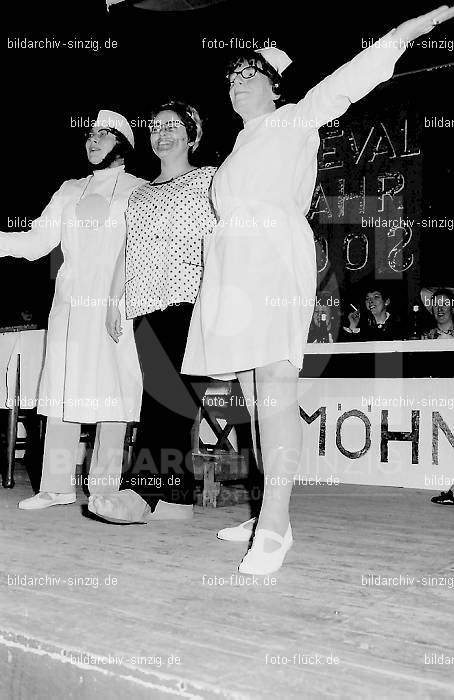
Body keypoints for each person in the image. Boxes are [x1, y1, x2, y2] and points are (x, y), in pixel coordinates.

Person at [181, 7, 454, 575]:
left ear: (274, 86)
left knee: (276, 392)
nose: (236, 85)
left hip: (273, 259)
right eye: (230, 78)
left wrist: (408, 31)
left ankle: (276, 525)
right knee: (254, 405)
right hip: (232, 266)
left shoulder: (295, 119)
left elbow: (354, 78)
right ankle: (266, 512)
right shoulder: (235, 148)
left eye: (247, 75)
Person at [0, 110, 145, 509]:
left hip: (116, 303)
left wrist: (123, 297)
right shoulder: (68, 189)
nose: (92, 140)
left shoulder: (141, 189)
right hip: (69, 304)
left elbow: (143, 252)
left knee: (113, 391)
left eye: (104, 134)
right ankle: (56, 486)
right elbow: (35, 243)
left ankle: (105, 490)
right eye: (90, 135)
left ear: (124, 144)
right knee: (63, 389)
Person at [88, 100, 217, 523]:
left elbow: (227, 235)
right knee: (165, 399)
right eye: (156, 127)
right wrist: (113, 299)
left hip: (192, 300)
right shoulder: (140, 193)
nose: (162, 133)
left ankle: (140, 492)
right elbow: (129, 249)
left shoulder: (210, 180)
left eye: (173, 126)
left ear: (192, 134)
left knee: (170, 399)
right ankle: (176, 500)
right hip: (145, 303)